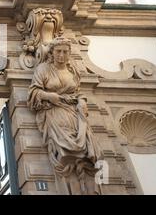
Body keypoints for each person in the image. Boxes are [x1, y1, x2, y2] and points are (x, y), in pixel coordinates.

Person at [27, 37, 101, 194]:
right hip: (55, 114)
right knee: (66, 159)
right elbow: (33, 92)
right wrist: (49, 96)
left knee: (87, 158)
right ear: (52, 53)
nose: (62, 55)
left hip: (76, 115)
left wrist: (82, 101)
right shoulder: (43, 69)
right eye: (58, 51)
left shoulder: (72, 69)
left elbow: (78, 91)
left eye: (65, 52)